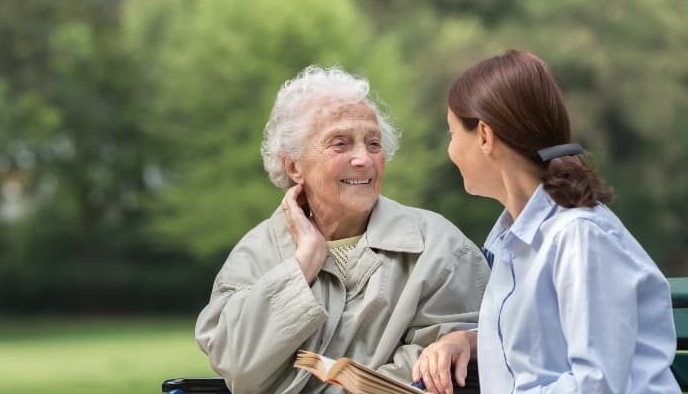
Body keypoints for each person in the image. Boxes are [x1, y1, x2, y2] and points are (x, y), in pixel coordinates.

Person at [195, 66, 490, 393]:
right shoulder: (256, 253)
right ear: (294, 166)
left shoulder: (438, 246)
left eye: (374, 144)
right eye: (340, 144)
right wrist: (303, 263)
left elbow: (455, 362)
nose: (363, 158)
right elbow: (237, 366)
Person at [413, 50, 681, 394]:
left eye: (452, 133)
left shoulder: (580, 237)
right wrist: (467, 340)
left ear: (484, 136)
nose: (449, 151)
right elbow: (547, 338)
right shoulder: (516, 241)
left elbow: (596, 383)